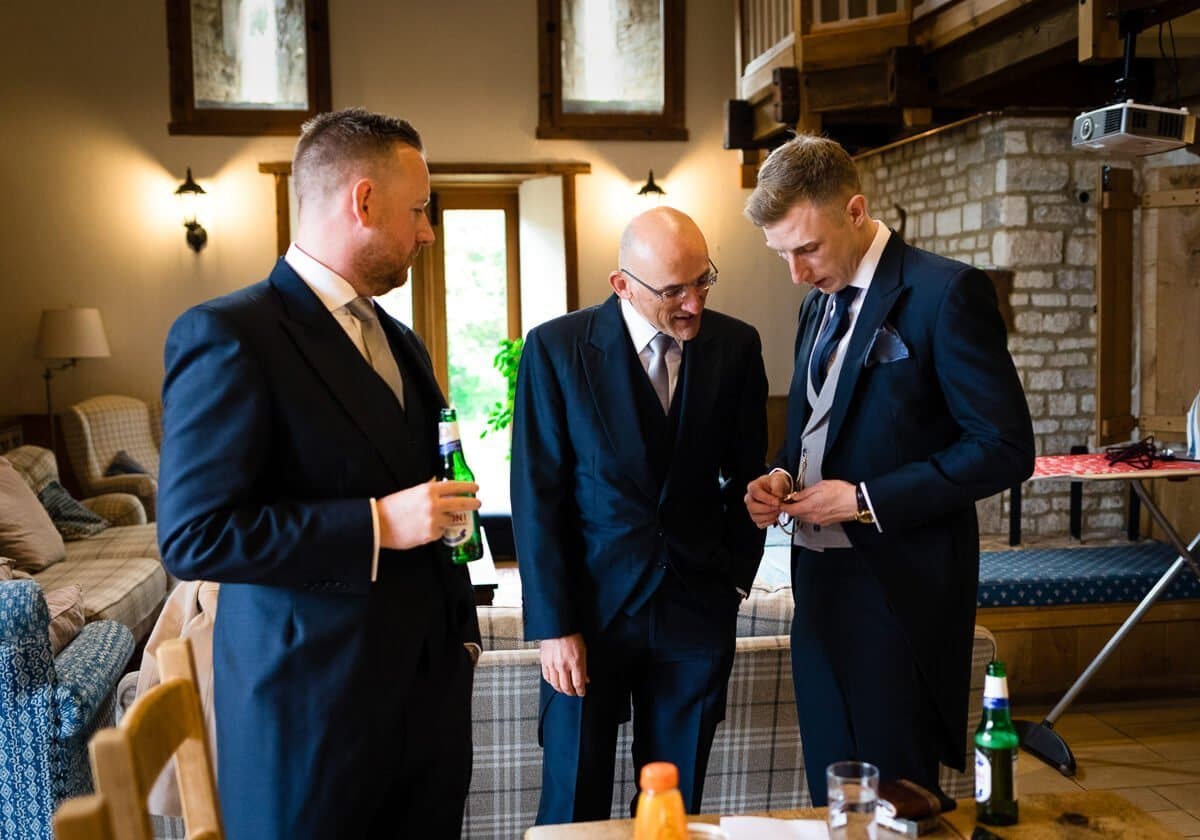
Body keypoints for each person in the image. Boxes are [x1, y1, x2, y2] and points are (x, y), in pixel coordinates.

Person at [157, 108, 482, 839]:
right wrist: (374, 524)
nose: (428, 232)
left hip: (425, 719)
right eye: (420, 209)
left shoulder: (399, 341)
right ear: (362, 201)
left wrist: (460, 635)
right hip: (311, 725)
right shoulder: (231, 334)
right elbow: (193, 535)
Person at [742, 134, 1034, 805]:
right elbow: (822, 426)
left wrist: (865, 499)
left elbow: (1004, 446)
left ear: (854, 210)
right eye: (781, 253)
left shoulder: (946, 292)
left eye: (806, 248)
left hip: (898, 592)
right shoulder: (818, 298)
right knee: (834, 789)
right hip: (816, 587)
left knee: (898, 800)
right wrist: (781, 475)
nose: (795, 271)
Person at [511, 207, 768, 824]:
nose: (693, 305)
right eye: (673, 290)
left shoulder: (736, 345)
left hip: (694, 609)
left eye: (703, 281)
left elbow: (746, 477)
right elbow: (536, 493)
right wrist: (554, 626)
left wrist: (734, 579)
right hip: (588, 616)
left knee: (673, 806)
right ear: (621, 284)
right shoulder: (555, 348)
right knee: (574, 801)